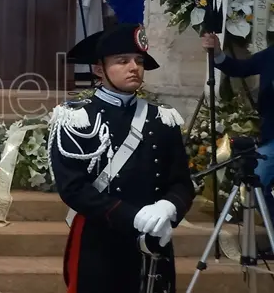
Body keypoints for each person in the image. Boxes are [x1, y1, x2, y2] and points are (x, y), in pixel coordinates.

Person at [50, 24, 193, 293]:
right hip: (100, 240)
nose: (134, 67)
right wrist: (131, 215)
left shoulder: (162, 118)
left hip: (154, 235)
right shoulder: (77, 118)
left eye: (139, 60)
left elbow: (181, 182)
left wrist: (168, 207)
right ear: (99, 69)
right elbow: (73, 188)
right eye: (122, 60)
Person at [203, 32, 273, 207]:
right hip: (272, 137)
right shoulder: (271, 54)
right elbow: (240, 68)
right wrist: (217, 53)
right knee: (257, 181)